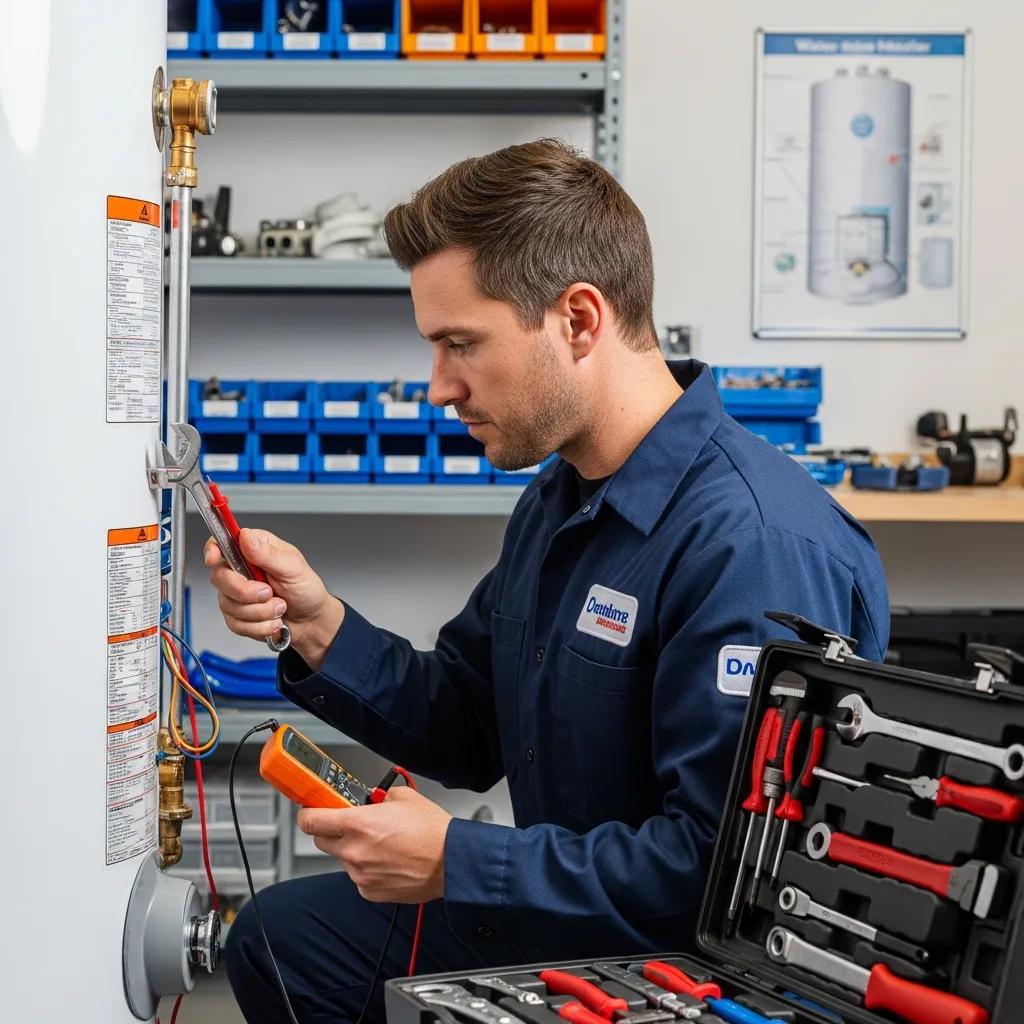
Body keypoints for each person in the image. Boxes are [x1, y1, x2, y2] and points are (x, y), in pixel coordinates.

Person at [217, 139, 889, 1023]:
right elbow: (468, 724)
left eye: (461, 344)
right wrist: (316, 625)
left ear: (578, 319)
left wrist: (458, 861)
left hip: (692, 969)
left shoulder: (750, 545)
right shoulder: (560, 497)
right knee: (278, 941)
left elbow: (723, 871)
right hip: (564, 914)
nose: (439, 388)